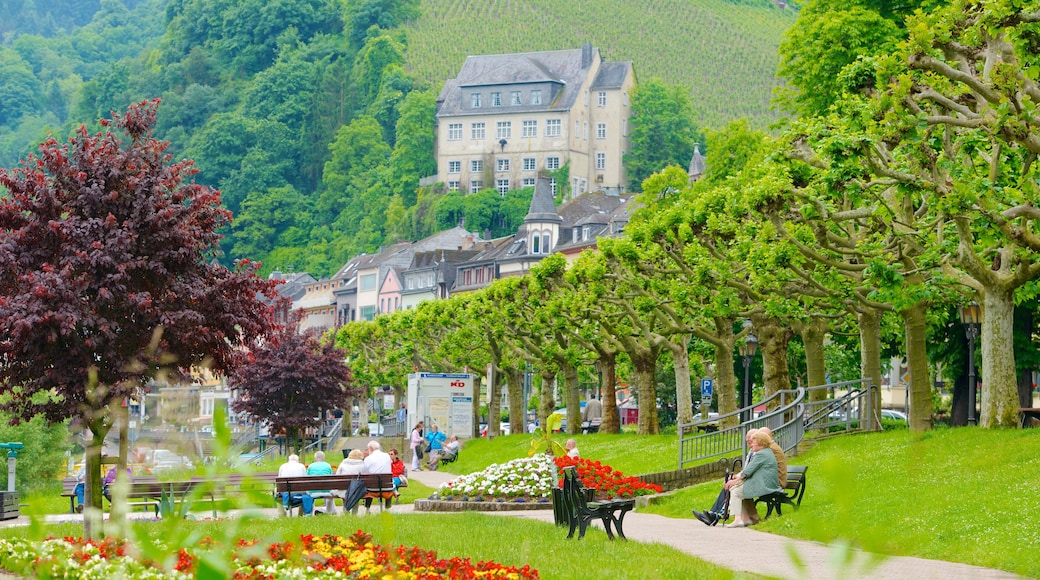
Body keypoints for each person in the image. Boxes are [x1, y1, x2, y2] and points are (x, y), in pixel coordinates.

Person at [693, 429, 758, 526]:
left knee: (732, 487)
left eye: (750, 438)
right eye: (747, 437)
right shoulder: (751, 452)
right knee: (727, 485)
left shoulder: (758, 453)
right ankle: (713, 514)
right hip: (747, 479)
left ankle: (715, 516)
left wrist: (735, 480)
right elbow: (746, 470)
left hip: (753, 482)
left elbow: (749, 472)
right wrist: (734, 477)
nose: (747, 440)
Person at [723, 430, 783, 527]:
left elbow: (748, 471)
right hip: (765, 483)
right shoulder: (765, 452)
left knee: (736, 492)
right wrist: (736, 478)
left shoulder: (761, 454)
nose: (751, 444)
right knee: (735, 488)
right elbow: (748, 471)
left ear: (761, 443)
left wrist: (734, 480)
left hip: (765, 485)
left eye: (754, 442)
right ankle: (746, 519)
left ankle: (738, 519)